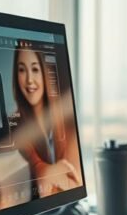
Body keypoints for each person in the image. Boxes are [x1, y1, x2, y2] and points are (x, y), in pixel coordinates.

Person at [13, 47, 82, 197]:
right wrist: (44, 171)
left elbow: (74, 181)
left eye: (35, 69)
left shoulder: (64, 121)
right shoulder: (14, 125)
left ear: (46, 72)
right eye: (22, 70)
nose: (29, 80)